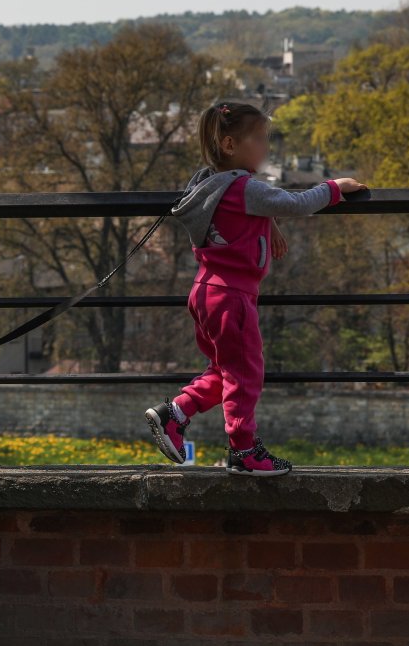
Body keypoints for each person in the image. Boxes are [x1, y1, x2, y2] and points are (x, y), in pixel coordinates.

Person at [146, 101, 368, 476]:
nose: (266, 148)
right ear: (231, 145)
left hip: (205, 291)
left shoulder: (208, 184)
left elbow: (238, 216)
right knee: (246, 374)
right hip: (233, 297)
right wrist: (335, 188)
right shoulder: (246, 188)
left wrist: (268, 224)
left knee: (229, 369)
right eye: (260, 139)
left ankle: (175, 413)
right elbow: (296, 202)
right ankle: (244, 451)